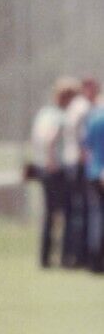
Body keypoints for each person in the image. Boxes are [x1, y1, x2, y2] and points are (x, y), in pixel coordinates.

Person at [29, 77, 78, 269]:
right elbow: (51, 138)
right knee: (64, 212)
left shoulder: (44, 113)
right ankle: (65, 257)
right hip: (55, 168)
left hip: (42, 167)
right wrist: (51, 159)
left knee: (49, 213)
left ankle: (45, 257)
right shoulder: (60, 116)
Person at [62, 76, 95, 267]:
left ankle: (71, 255)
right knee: (81, 210)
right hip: (78, 161)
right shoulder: (83, 107)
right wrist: (84, 153)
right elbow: (81, 134)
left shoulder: (73, 108)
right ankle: (79, 256)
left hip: (70, 160)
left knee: (75, 209)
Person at [80, 79, 104, 274]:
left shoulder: (93, 117)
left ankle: (94, 262)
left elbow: (85, 147)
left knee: (96, 216)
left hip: (93, 172)